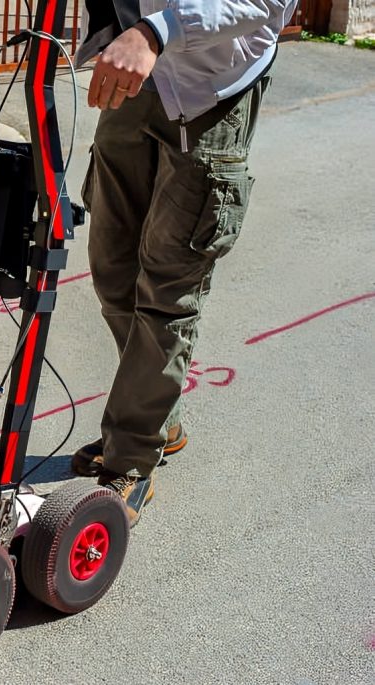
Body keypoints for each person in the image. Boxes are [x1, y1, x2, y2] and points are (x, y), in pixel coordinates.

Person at [71, 0, 297, 526]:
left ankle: (131, 456)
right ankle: (161, 418)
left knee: (168, 288)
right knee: (111, 270)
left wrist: (156, 31)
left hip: (210, 91)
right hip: (134, 73)